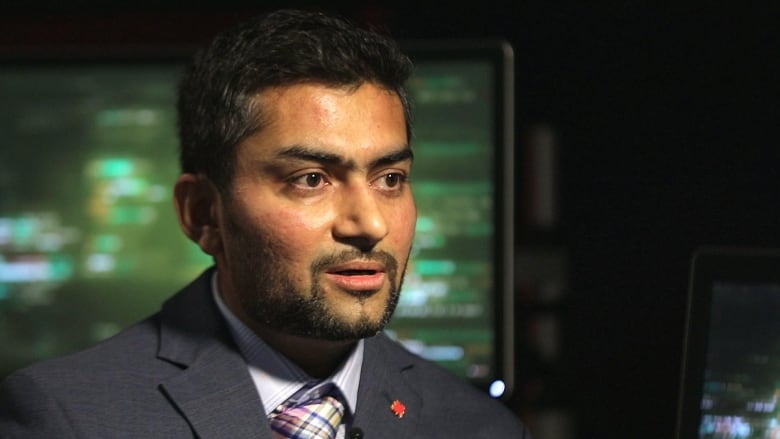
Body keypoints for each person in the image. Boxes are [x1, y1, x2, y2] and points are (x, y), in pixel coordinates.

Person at [0, 8, 531, 438]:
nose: (369, 223)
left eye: (390, 178)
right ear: (203, 213)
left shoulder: (481, 428)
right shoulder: (64, 418)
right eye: (310, 179)